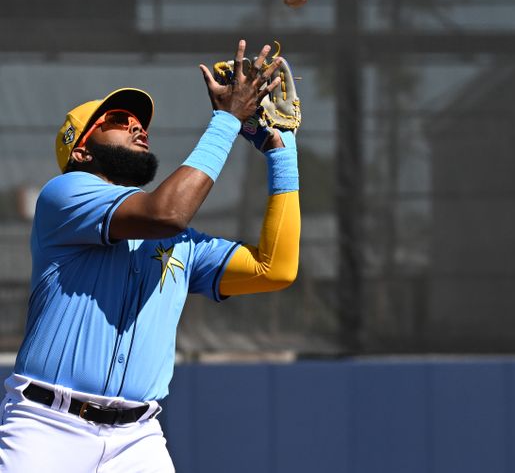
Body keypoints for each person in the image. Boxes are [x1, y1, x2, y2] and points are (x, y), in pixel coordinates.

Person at [0, 40, 301, 472]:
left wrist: (280, 152)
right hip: (47, 429)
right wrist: (226, 120)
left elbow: (275, 269)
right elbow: (167, 213)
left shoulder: (180, 245)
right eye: (119, 121)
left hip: (136, 439)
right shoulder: (64, 195)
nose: (138, 127)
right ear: (82, 151)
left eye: (141, 122)